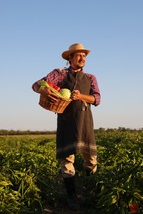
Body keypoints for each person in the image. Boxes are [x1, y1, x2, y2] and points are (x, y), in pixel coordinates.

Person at [32, 43, 101, 211]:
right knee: (67, 160)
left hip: (85, 121)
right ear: (70, 58)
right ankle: (72, 197)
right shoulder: (60, 74)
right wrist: (43, 90)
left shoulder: (90, 77)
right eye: (78, 55)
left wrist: (81, 96)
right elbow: (36, 85)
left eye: (84, 55)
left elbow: (97, 99)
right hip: (67, 121)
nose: (82, 58)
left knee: (90, 159)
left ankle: (89, 191)